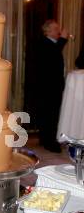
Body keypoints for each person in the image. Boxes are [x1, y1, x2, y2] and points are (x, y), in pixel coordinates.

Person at [35, 19, 69, 153]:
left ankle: (45, 139)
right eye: (55, 29)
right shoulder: (44, 43)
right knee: (51, 114)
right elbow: (52, 56)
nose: (59, 31)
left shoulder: (52, 43)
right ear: (47, 31)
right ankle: (50, 142)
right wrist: (63, 40)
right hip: (48, 86)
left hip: (51, 85)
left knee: (49, 113)